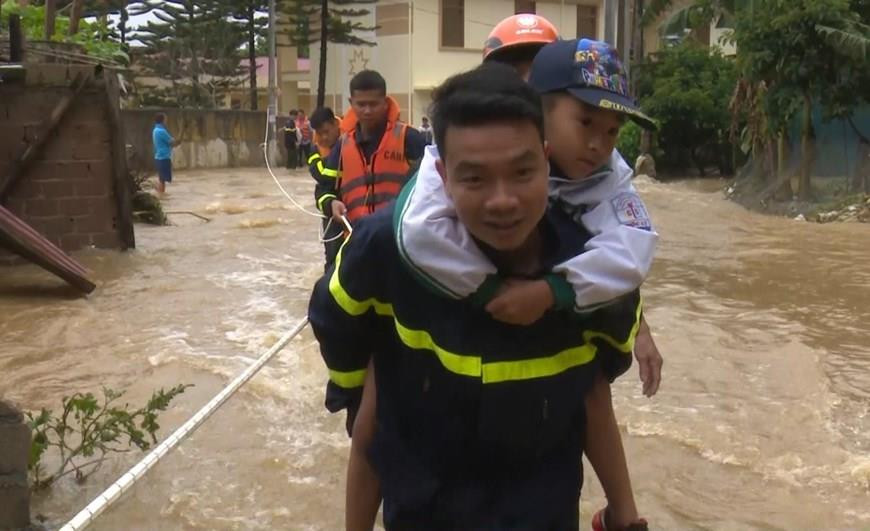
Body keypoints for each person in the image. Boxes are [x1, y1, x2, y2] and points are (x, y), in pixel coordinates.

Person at [309, 63, 648, 530]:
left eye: (522, 172)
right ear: (442, 176)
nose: (502, 200)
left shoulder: (591, 273)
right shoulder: (387, 254)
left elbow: (594, 400)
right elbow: (371, 420)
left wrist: (625, 514)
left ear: (547, 161)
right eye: (475, 179)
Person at [400, 25, 663, 397]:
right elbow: (413, 231)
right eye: (509, 73)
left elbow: (632, 248)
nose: (597, 144)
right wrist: (489, 289)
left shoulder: (607, 174)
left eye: (611, 131)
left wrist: (553, 292)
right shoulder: (455, 150)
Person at [313, 69, 427, 234]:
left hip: (398, 238)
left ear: (385, 103)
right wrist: (330, 204)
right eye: (361, 104)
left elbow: (433, 186)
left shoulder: (409, 138)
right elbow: (324, 188)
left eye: (373, 104)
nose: (367, 110)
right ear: (351, 103)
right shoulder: (342, 146)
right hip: (357, 239)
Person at [308, 106, 346, 269]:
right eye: (319, 133)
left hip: (354, 206)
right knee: (332, 257)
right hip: (330, 209)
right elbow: (321, 176)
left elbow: (323, 174)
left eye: (326, 131)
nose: (323, 137)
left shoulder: (351, 138)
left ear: (335, 124)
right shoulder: (315, 147)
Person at [151, 113, 179, 196]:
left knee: (162, 179)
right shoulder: (161, 131)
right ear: (162, 120)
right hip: (163, 157)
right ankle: (161, 195)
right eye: (165, 119)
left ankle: (158, 192)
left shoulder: (155, 130)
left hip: (159, 157)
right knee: (163, 180)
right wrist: (176, 141)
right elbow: (171, 142)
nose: (166, 121)